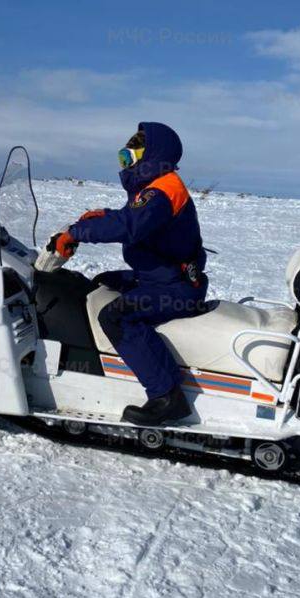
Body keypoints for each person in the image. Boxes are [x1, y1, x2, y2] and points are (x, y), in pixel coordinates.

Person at [48, 122, 208, 426]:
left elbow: (131, 226)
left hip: (176, 288)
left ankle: (167, 396)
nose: (127, 152)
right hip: (162, 277)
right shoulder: (155, 187)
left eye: (135, 145)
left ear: (154, 152)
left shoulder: (164, 190)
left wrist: (77, 232)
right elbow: (131, 217)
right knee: (102, 281)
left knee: (117, 316)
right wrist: (103, 215)